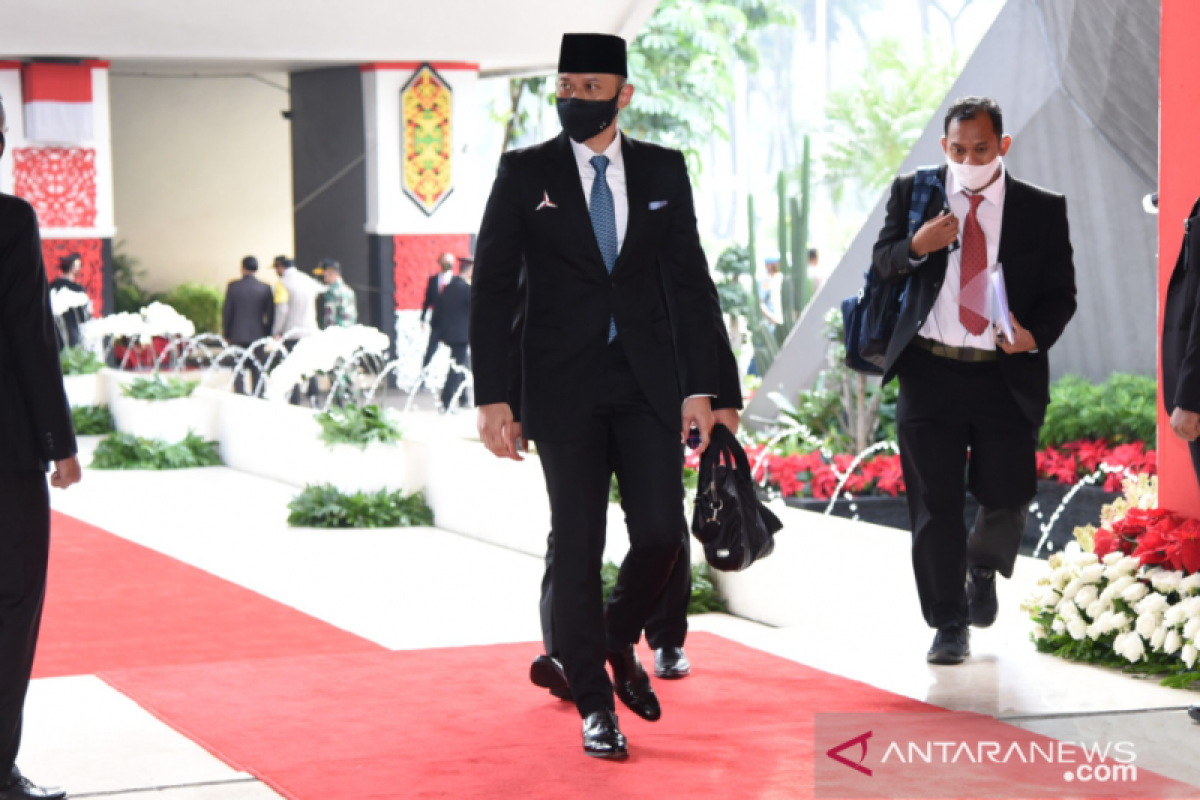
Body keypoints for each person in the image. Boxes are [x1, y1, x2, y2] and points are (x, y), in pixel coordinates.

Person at [470, 33, 740, 759]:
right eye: (567, 85)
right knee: (579, 540)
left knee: (660, 534)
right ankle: (594, 702)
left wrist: (711, 389)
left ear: (624, 94)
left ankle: (615, 639)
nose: (575, 99)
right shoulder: (525, 173)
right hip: (560, 389)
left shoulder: (661, 168)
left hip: (647, 384)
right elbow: (492, 287)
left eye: (592, 88)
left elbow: (690, 281)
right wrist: (493, 395)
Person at [871, 96, 1076, 665]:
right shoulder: (915, 192)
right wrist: (917, 246)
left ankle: (982, 565)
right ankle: (948, 623)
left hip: (1003, 374)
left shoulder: (1041, 207)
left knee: (1007, 493)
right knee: (933, 505)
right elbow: (883, 261)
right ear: (944, 147)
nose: (968, 158)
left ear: (1002, 145)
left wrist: (1035, 335)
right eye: (957, 149)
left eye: (980, 149)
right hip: (929, 371)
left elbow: (1063, 293)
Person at [532, 294, 743, 699]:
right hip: (567, 379)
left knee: (662, 525)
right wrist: (506, 393)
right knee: (571, 527)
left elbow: (695, 291)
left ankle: (663, 638)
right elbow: (523, 292)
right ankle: (565, 654)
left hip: (653, 383)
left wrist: (724, 394)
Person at [0, 94, 81, 800]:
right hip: (5, 453)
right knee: (11, 606)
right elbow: (32, 337)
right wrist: (60, 442)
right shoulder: (8, 220)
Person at [222, 256, 275, 395]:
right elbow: (270, 314)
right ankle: (258, 394)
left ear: (242, 268)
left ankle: (240, 394)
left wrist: (227, 333)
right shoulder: (265, 288)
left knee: (238, 367)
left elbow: (227, 312)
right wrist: (267, 333)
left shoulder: (233, 287)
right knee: (257, 367)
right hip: (258, 333)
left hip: (237, 333)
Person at [271, 256, 321, 405]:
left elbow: (282, 310)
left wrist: (277, 331)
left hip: (292, 332)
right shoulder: (307, 279)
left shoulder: (282, 284)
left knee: (293, 367)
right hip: (310, 330)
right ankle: (314, 397)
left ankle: (296, 399)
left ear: (281, 267)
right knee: (310, 366)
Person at [431, 257, 472, 411]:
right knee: (457, 368)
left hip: (449, 333)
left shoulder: (448, 288)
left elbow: (438, 311)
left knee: (462, 366)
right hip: (462, 335)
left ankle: (463, 398)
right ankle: (447, 399)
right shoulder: (466, 289)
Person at [48, 254, 91, 350]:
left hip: (53, 333)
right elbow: (84, 315)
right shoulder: (76, 289)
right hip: (72, 332)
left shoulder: (51, 286)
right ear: (73, 268)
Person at [421, 253, 457, 367]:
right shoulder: (433, 280)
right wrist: (423, 318)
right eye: (445, 261)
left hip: (452, 322)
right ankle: (423, 374)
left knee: (457, 351)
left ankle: (458, 378)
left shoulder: (456, 281)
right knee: (431, 349)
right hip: (437, 321)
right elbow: (428, 300)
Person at [315, 259, 358, 328]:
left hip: (338, 336)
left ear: (332, 273)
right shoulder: (327, 291)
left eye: (324, 275)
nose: (323, 278)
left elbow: (346, 321)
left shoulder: (343, 292)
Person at [760, 256, 784, 328]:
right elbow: (761, 302)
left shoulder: (780, 277)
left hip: (782, 318)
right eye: (776, 263)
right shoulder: (765, 281)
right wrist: (771, 317)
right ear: (769, 265)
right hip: (771, 321)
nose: (778, 265)